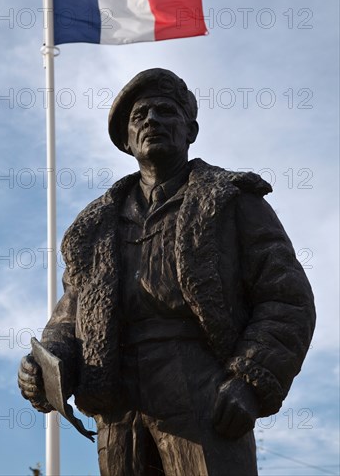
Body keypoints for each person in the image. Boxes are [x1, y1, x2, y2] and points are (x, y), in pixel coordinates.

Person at [18, 68, 316, 476]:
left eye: (165, 111)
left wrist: (250, 378)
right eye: (140, 116)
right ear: (126, 140)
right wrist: (46, 365)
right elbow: (70, 318)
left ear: (190, 129)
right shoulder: (95, 227)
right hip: (119, 404)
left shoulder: (233, 201)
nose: (152, 121)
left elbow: (286, 299)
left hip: (202, 386)